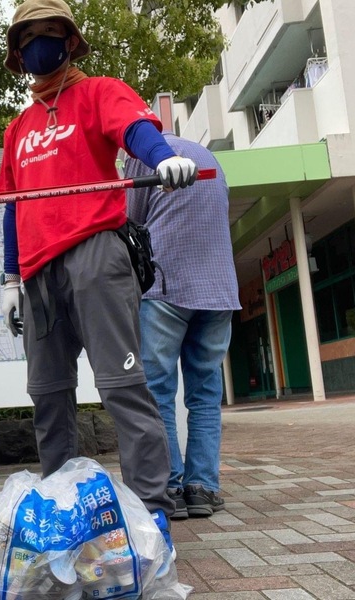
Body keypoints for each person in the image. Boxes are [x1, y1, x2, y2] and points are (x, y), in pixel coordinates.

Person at [0, 0, 198, 557]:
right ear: (19, 52)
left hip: (96, 255)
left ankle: (152, 513)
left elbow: (134, 127)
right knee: (48, 397)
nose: (41, 42)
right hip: (37, 273)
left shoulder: (98, 90)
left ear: (69, 39)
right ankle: (61, 506)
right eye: (30, 35)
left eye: (51, 32)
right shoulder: (19, 128)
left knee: (123, 388)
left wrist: (160, 158)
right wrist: (9, 278)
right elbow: (11, 207)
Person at [126, 133, 240, 519]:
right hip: (219, 289)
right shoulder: (208, 157)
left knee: (158, 391)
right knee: (205, 393)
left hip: (167, 287)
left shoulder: (141, 156)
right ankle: (202, 488)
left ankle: (171, 487)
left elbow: (132, 224)